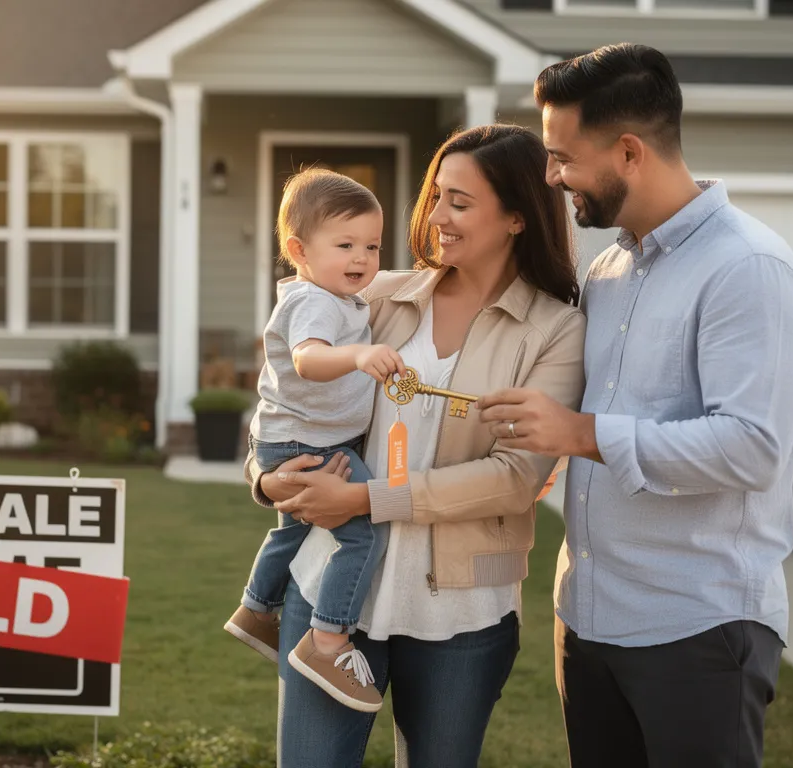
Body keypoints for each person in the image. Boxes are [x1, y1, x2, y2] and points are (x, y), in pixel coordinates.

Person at [476, 43, 793, 767]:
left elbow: (751, 448)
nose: (550, 175)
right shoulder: (607, 271)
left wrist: (581, 434)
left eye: (562, 156)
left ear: (628, 152)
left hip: (697, 630)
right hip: (589, 620)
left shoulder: (747, 270)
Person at [243, 124, 586, 768]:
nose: (436, 217)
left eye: (459, 201)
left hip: (463, 613)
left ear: (516, 216)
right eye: (435, 197)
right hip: (331, 603)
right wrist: (266, 481)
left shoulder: (555, 330)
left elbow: (516, 477)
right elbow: (289, 395)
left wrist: (367, 498)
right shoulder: (372, 296)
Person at [224, 168, 407, 713]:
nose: (362, 258)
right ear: (299, 250)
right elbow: (307, 359)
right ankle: (329, 640)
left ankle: (257, 609)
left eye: (372, 246)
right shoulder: (315, 302)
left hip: (292, 439)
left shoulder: (338, 297)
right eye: (345, 244)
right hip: (314, 443)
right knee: (364, 531)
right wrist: (357, 356)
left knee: (295, 530)